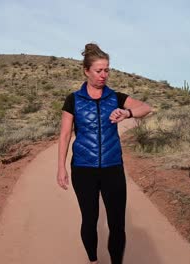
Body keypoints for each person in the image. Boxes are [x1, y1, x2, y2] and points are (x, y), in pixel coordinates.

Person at [56, 43, 152, 264]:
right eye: (99, 70)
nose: (104, 75)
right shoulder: (73, 100)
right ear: (87, 71)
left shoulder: (116, 97)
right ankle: (93, 261)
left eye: (107, 70)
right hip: (83, 169)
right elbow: (64, 136)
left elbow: (146, 108)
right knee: (90, 220)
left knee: (117, 223)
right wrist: (61, 167)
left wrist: (127, 112)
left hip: (112, 169)